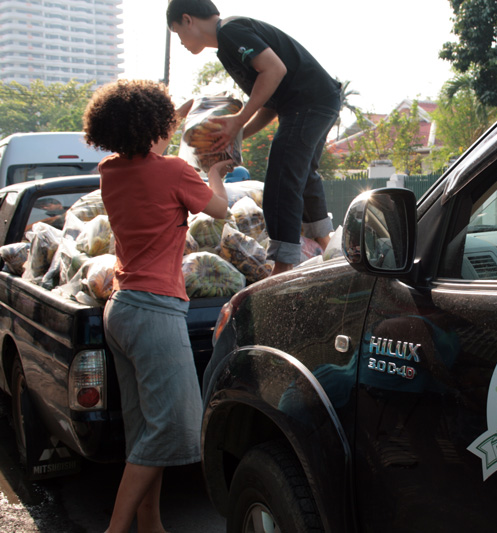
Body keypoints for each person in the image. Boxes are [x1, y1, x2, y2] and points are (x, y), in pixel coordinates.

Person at [82, 79, 230, 533]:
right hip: (155, 311)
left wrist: (178, 117)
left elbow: (149, 145)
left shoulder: (110, 170)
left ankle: (151, 523)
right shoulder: (174, 173)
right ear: (154, 126)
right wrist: (216, 174)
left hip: (121, 310)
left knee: (145, 428)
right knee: (177, 427)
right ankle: (116, 529)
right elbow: (221, 210)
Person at [166, 0, 341, 276]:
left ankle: (283, 266)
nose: (181, 42)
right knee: (303, 173)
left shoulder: (230, 31)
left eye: (177, 33)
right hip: (316, 101)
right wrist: (238, 134)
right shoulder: (226, 48)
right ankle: (327, 244)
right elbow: (270, 101)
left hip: (309, 102)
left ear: (188, 19)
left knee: (283, 176)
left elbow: (274, 69)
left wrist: (238, 119)